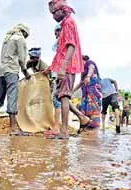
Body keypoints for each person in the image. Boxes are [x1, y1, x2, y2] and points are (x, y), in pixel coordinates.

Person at [47, 0, 91, 139]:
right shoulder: (66, 23)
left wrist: (63, 67)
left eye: (54, 12)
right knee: (60, 96)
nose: (53, 16)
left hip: (67, 66)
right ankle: (82, 118)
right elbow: (61, 51)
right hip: (64, 65)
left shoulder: (68, 22)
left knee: (64, 97)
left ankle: (64, 131)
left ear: (62, 10)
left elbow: (71, 46)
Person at [0, 24, 31, 135]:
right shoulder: (20, 39)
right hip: (12, 70)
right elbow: (21, 59)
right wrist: (25, 72)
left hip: (2, 70)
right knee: (12, 96)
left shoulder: (8, 37)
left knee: (0, 94)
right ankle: (13, 128)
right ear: (24, 32)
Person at [73, 55, 102, 129]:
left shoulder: (89, 63)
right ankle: (85, 128)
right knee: (84, 110)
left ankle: (94, 129)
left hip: (93, 91)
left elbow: (91, 68)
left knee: (93, 109)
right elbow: (80, 82)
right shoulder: (82, 71)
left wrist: (88, 76)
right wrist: (72, 91)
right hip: (85, 93)